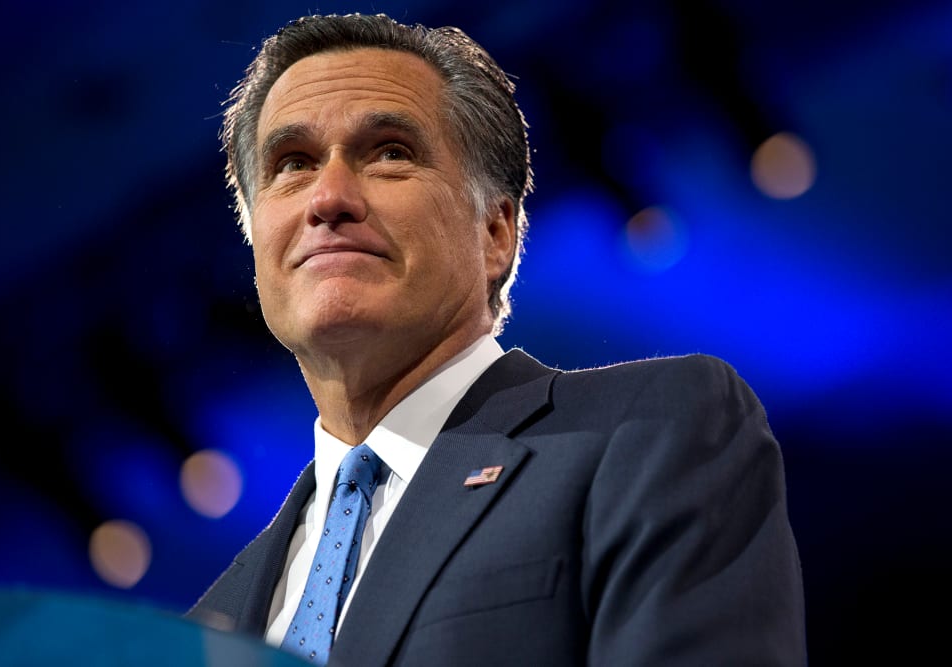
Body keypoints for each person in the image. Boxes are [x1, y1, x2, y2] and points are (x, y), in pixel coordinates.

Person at [186, 12, 807, 666]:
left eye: (390, 152)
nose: (329, 196)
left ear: (495, 232)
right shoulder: (203, 626)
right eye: (292, 163)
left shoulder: (652, 428)